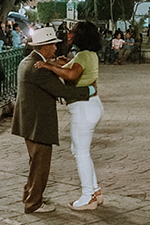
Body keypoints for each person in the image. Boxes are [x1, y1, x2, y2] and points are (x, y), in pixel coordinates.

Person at [11, 26, 94, 214]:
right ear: (45, 46)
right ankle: (33, 203)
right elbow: (62, 91)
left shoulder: (27, 62)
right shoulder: (39, 69)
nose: (56, 48)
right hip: (38, 123)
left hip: (28, 121)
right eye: (53, 45)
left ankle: (30, 195)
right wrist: (89, 90)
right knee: (41, 164)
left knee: (35, 162)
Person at [32, 21, 105, 210]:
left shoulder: (83, 55)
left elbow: (72, 75)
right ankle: (95, 191)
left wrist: (48, 67)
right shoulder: (90, 54)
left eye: (73, 33)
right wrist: (60, 63)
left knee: (81, 153)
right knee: (80, 150)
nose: (70, 35)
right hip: (91, 105)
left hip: (83, 108)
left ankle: (88, 196)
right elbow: (72, 68)